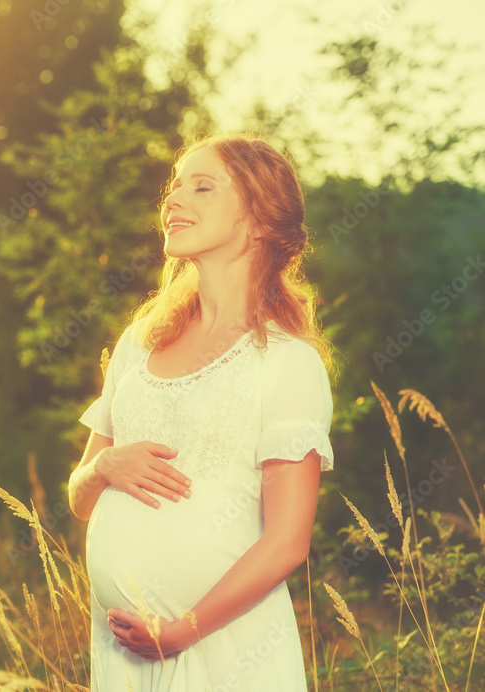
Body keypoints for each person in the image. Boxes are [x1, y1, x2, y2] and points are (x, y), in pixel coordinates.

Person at [68, 132, 335, 690]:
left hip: (226, 650)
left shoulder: (286, 362)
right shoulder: (139, 342)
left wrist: (182, 630)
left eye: (202, 186)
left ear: (259, 219)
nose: (172, 199)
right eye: (174, 186)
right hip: (124, 651)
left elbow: (287, 542)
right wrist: (102, 468)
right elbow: (80, 499)